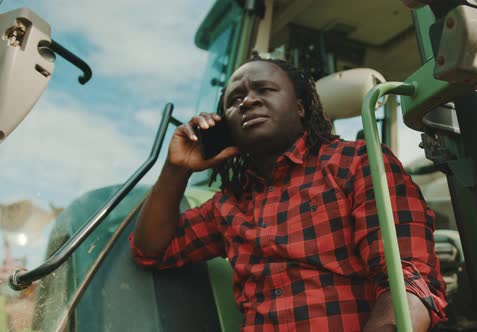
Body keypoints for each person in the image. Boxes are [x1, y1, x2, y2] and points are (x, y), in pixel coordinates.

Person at [130, 58, 447, 331]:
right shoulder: (228, 204)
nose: (247, 101)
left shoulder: (356, 163)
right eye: (234, 99)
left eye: (264, 90)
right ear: (225, 125)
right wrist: (176, 169)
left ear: (299, 108)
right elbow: (152, 250)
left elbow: (409, 283)